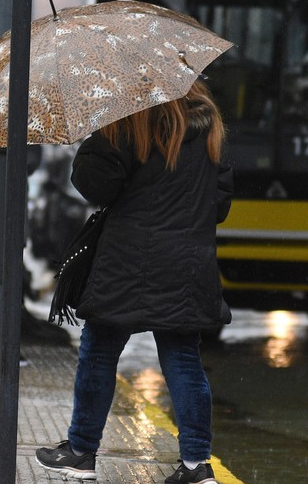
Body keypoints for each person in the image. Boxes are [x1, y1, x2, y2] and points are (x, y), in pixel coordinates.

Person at [35, 80, 233, 484]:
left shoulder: (132, 120)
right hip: (187, 263)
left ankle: (80, 451)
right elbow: (220, 204)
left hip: (127, 262)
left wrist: (97, 134)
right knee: (183, 359)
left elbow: (96, 185)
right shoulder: (209, 126)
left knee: (99, 353)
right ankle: (196, 465)